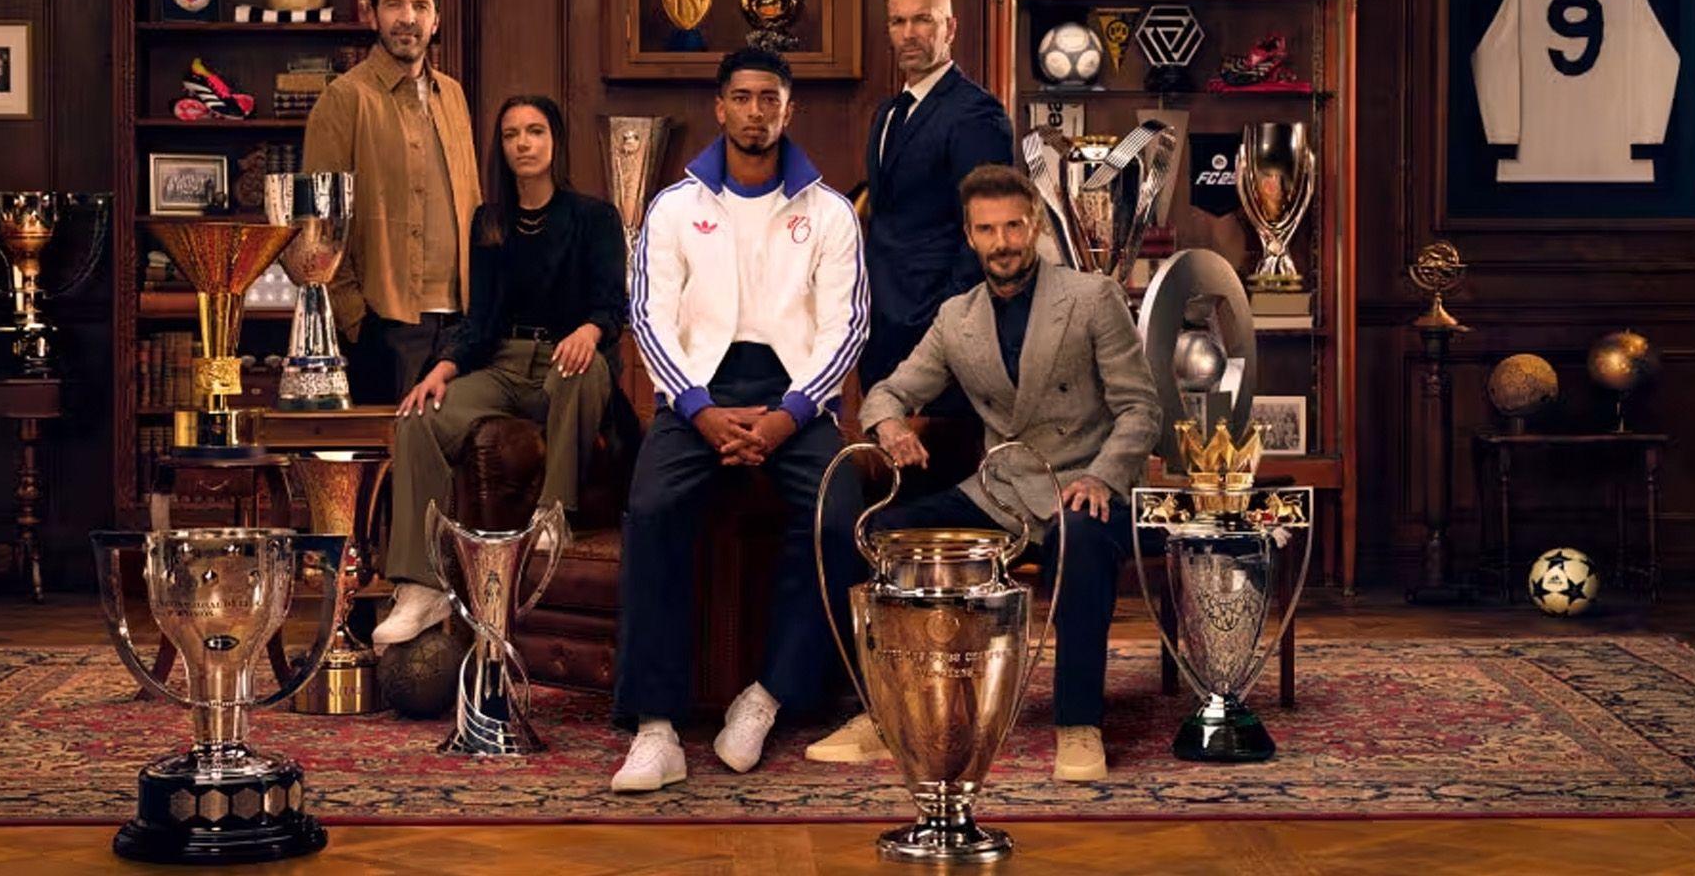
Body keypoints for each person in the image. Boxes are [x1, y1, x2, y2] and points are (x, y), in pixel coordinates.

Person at [810, 164, 1160, 781]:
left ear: (1035, 225)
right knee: (882, 534)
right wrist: (890, 428)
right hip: (1001, 493)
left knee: (1079, 540)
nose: (1002, 242)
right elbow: (888, 391)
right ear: (971, 237)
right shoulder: (956, 318)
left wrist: (1104, 477)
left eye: (1014, 226)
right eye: (987, 229)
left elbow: (1140, 407)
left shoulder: (1091, 297)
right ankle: (887, 714)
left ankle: (1079, 726)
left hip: (1085, 486)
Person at [610, 48, 868, 793]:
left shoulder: (828, 211)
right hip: (697, 395)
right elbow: (649, 318)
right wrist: (700, 410)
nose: (756, 111)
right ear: (719, 108)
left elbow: (846, 327)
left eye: (771, 99)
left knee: (836, 513)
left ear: (789, 111)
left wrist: (790, 415)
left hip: (797, 395)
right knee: (652, 506)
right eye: (743, 98)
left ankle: (767, 696)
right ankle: (656, 728)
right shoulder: (672, 206)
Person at [373, 96, 625, 650]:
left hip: (575, 361)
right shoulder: (488, 223)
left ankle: (551, 516)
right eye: (512, 135)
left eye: (535, 131)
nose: (523, 144)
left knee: (574, 373)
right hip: (505, 365)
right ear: (502, 148)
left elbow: (613, 307)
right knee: (420, 416)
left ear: (554, 142)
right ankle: (421, 584)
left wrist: (589, 331)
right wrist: (441, 367)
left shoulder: (594, 217)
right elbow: (480, 320)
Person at [303, 0, 482, 406]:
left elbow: (473, 205)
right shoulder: (343, 99)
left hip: (460, 325)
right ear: (372, 14)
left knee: (453, 466)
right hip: (386, 325)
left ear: (437, 19)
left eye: (420, 7)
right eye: (394, 5)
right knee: (390, 467)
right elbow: (316, 225)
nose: (408, 18)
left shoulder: (454, 96)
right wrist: (357, 320)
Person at [857, 0, 1016, 414]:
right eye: (898, 21)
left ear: (951, 29)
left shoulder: (976, 114)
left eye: (923, 20)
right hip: (880, 328)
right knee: (884, 471)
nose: (909, 33)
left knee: (932, 472)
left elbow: (988, 232)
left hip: (938, 335)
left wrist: (943, 323)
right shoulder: (888, 114)